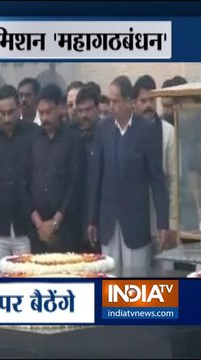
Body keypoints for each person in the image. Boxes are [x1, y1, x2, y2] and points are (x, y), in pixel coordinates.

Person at [88, 76, 171, 277]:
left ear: (129, 102)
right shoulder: (103, 128)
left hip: (135, 223)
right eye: (109, 101)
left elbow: (157, 180)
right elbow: (95, 176)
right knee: (109, 280)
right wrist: (92, 219)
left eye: (115, 101)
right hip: (108, 220)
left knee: (135, 283)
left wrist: (163, 223)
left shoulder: (147, 130)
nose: (111, 106)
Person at [21, 84, 83, 254]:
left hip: (66, 230)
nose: (45, 117)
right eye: (41, 113)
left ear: (60, 108)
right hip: (37, 231)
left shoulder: (73, 140)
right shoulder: (32, 140)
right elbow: (23, 183)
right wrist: (40, 224)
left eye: (49, 111)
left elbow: (75, 185)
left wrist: (55, 222)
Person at [0, 85, 37, 273]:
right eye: (2, 113)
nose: (6, 118)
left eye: (11, 112)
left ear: (19, 109)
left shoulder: (33, 133)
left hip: (26, 225)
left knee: (28, 279)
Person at [133, 75, 178, 249]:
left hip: (163, 223)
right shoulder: (127, 133)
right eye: (143, 101)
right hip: (136, 223)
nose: (148, 105)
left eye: (152, 100)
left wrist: (171, 223)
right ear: (133, 103)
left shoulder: (168, 132)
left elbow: (173, 180)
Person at [75, 84, 101, 253]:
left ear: (97, 109)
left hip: (101, 223)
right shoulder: (72, 138)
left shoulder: (106, 137)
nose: (84, 115)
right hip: (75, 225)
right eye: (81, 111)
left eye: (88, 110)